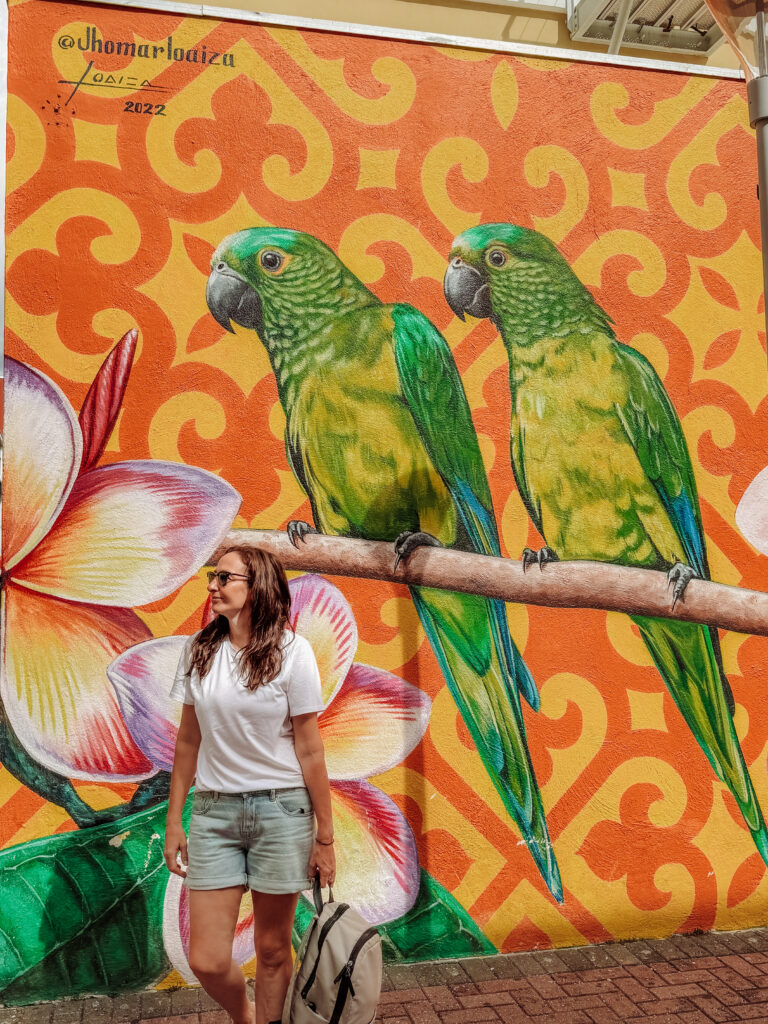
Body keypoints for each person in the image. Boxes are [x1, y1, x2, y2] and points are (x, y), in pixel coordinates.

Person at [164, 544, 335, 1024]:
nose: (213, 586)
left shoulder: (293, 653)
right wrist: (174, 821)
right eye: (213, 578)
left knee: (273, 949)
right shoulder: (199, 651)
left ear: (256, 586)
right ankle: (247, 1017)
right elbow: (187, 744)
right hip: (214, 815)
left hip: (281, 814)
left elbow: (310, 750)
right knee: (208, 959)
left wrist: (326, 835)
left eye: (225, 578)